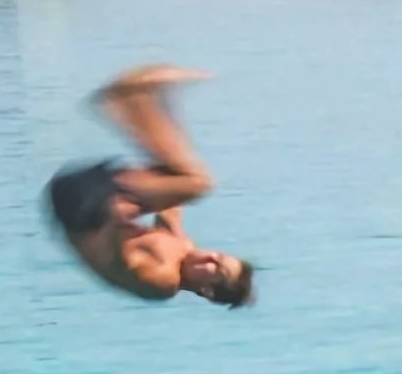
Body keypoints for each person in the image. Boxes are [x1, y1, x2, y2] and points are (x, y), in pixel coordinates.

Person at [47, 66, 255, 307]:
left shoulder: (163, 281)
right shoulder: (183, 248)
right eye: (219, 255)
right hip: (94, 198)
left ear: (206, 290)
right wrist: (170, 114)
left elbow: (119, 261)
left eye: (215, 267)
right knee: (185, 179)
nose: (210, 256)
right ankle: (142, 98)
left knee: (199, 183)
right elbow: (171, 204)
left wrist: (118, 218)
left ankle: (128, 99)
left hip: (83, 212)